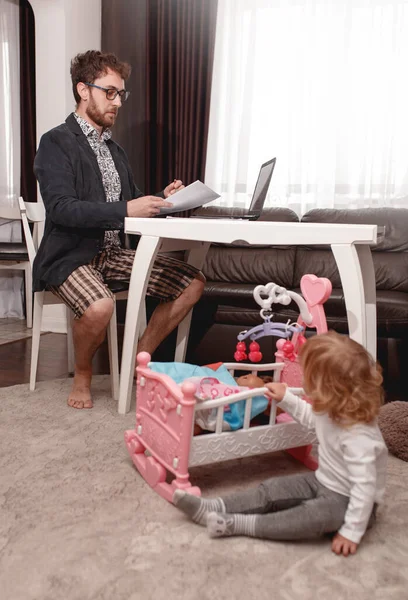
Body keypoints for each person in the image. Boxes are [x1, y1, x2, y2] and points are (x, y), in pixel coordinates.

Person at [33, 50, 205, 409]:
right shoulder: (56, 142)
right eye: (109, 92)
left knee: (193, 282)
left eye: (121, 94)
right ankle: (82, 374)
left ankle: (136, 360)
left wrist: (163, 199)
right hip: (69, 256)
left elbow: (130, 202)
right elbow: (63, 209)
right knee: (100, 307)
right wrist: (128, 208)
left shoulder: (116, 151)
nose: (118, 102)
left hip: (113, 254)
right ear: (83, 90)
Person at [173, 331, 388, 557]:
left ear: (329, 389)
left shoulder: (359, 437)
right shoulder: (332, 409)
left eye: (309, 377)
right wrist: (287, 398)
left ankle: (235, 524)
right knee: (273, 489)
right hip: (323, 480)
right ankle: (212, 506)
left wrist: (352, 532)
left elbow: (364, 490)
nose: (303, 380)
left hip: (349, 500)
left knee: (308, 516)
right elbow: (309, 418)